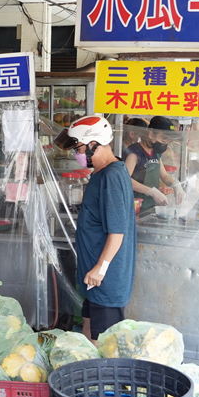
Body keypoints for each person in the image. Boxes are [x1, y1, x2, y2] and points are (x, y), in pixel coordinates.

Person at [57, 115, 136, 344]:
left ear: (94, 144)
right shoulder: (103, 174)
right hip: (95, 279)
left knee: (104, 345)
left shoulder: (112, 176)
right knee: (89, 333)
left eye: (79, 147)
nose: (77, 153)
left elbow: (117, 232)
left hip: (105, 280)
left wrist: (101, 269)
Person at [124, 116, 184, 213]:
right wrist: (152, 192)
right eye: (164, 138)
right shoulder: (135, 152)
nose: (166, 143)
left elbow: (164, 176)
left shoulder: (155, 152)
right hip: (134, 206)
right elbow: (125, 179)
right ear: (151, 134)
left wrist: (176, 185)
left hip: (150, 206)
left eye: (169, 140)